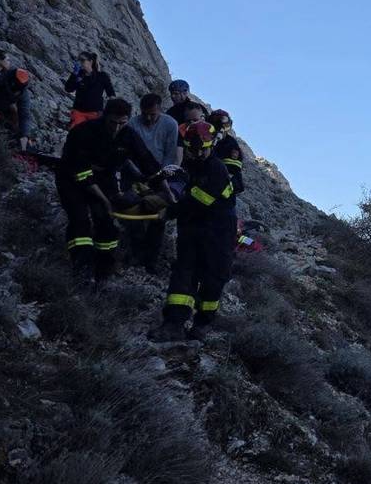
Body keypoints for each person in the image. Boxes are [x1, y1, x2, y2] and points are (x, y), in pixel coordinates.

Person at [56, 97, 164, 286]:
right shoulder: (84, 132)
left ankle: (103, 271)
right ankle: (82, 269)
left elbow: (147, 161)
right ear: (104, 117)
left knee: (105, 222)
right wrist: (106, 201)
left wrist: (164, 187)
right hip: (71, 177)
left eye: (122, 123)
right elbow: (82, 173)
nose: (116, 128)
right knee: (80, 219)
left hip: (104, 177)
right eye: (113, 123)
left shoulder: (129, 135)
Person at [149, 121, 236, 343]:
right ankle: (173, 324)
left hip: (218, 231)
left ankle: (202, 324)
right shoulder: (187, 165)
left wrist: (170, 212)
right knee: (184, 273)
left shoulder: (217, 169)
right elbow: (179, 190)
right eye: (193, 150)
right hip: (191, 227)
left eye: (202, 150)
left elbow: (201, 200)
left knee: (213, 278)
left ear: (211, 145)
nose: (197, 154)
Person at [124, 94, 180, 270]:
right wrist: (138, 174)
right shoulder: (133, 124)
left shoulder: (170, 124)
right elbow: (127, 154)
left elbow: (170, 154)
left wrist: (161, 178)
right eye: (145, 114)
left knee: (158, 218)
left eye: (153, 114)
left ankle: (151, 261)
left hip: (159, 176)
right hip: (135, 174)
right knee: (133, 214)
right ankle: (136, 255)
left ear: (160, 110)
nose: (148, 118)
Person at [64, 51, 115, 129]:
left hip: (95, 113)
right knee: (76, 132)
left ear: (90, 62)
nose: (80, 63)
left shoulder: (101, 76)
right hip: (79, 112)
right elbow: (68, 89)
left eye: (82, 60)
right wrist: (74, 74)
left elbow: (110, 92)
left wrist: (112, 110)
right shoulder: (78, 75)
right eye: (78, 60)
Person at [207, 109, 245, 200]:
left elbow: (232, 171)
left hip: (219, 192)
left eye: (223, 124)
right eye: (216, 122)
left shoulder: (231, 145)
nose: (220, 128)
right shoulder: (204, 137)